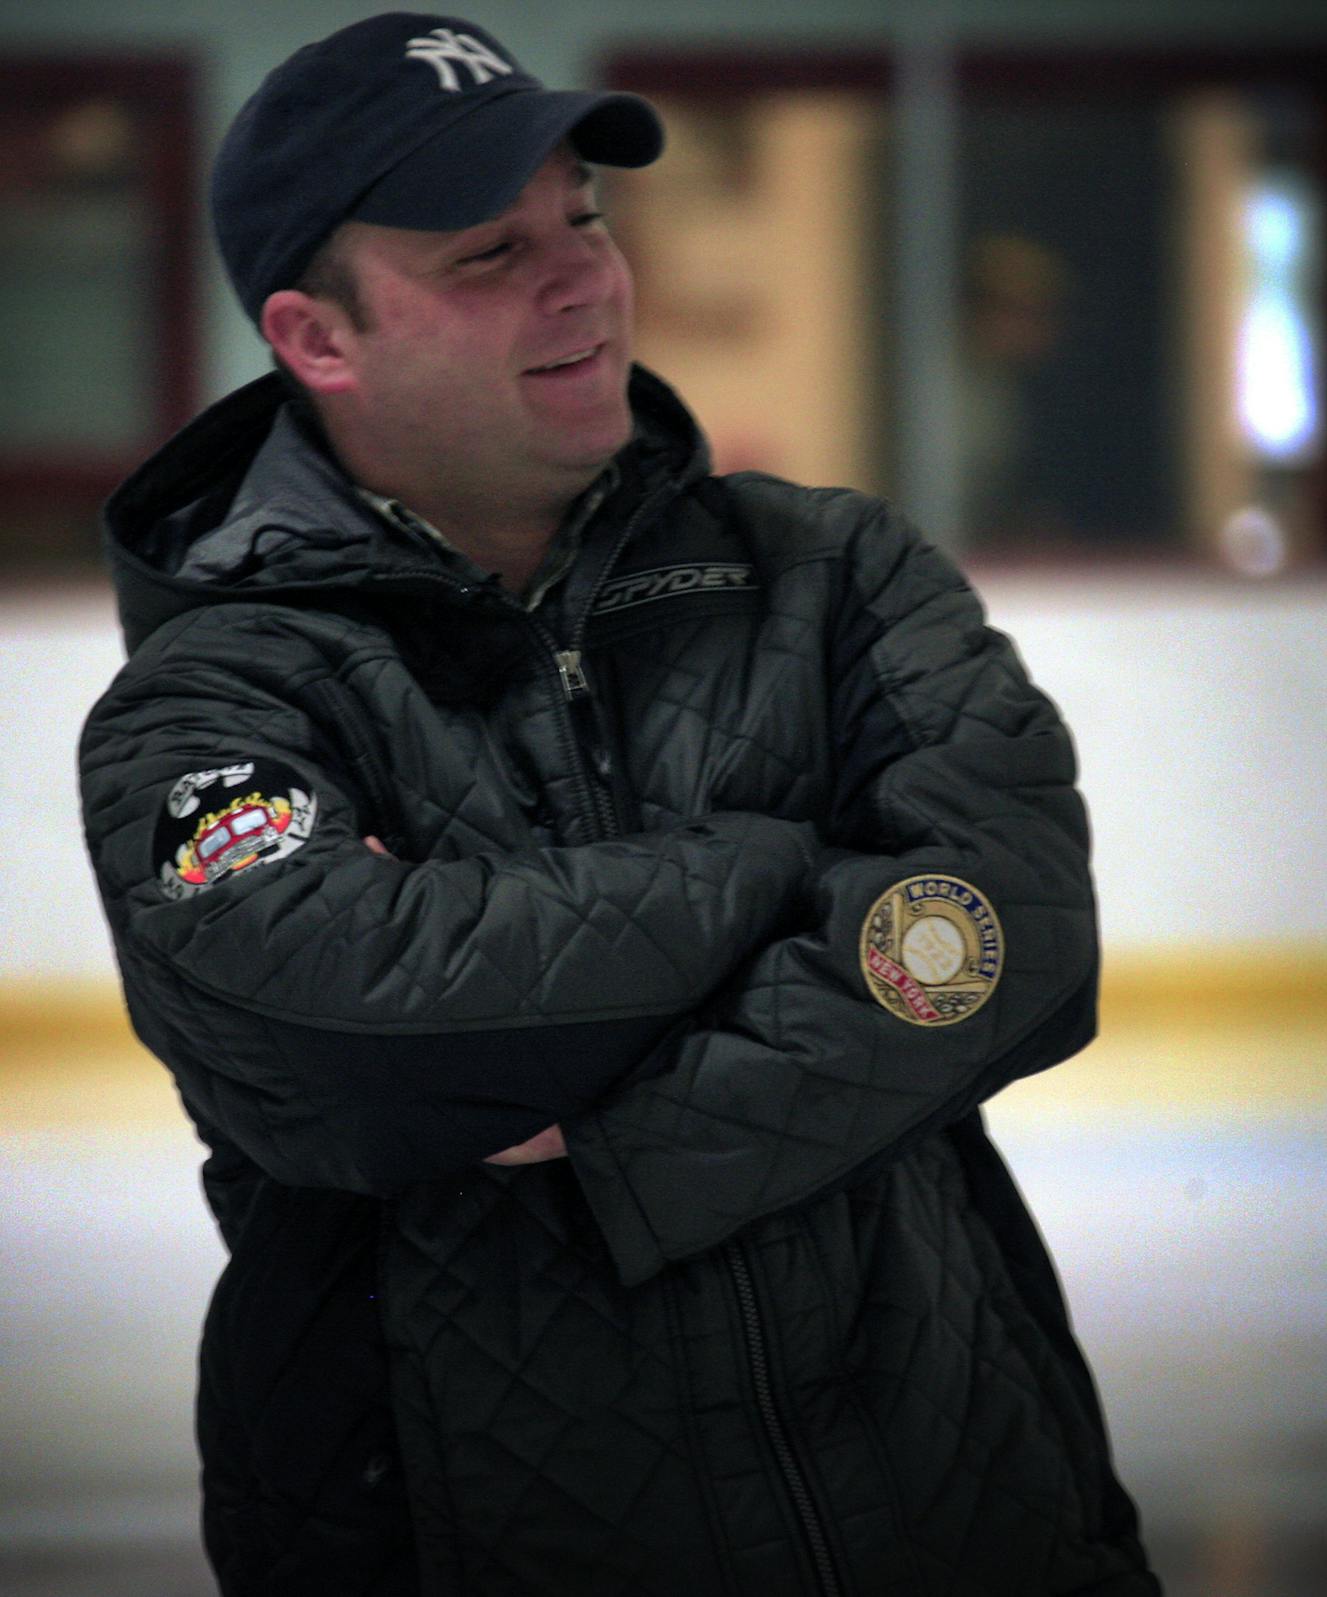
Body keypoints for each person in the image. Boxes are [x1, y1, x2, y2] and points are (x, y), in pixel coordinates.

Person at [79, 14, 1160, 1596]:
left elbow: (1021, 933)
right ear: (320, 338)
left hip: (965, 1510)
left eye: (583, 215)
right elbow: (353, 1042)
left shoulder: (833, 575)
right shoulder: (210, 702)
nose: (581, 275)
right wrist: (786, 869)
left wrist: (612, 1141)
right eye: (486, 252)